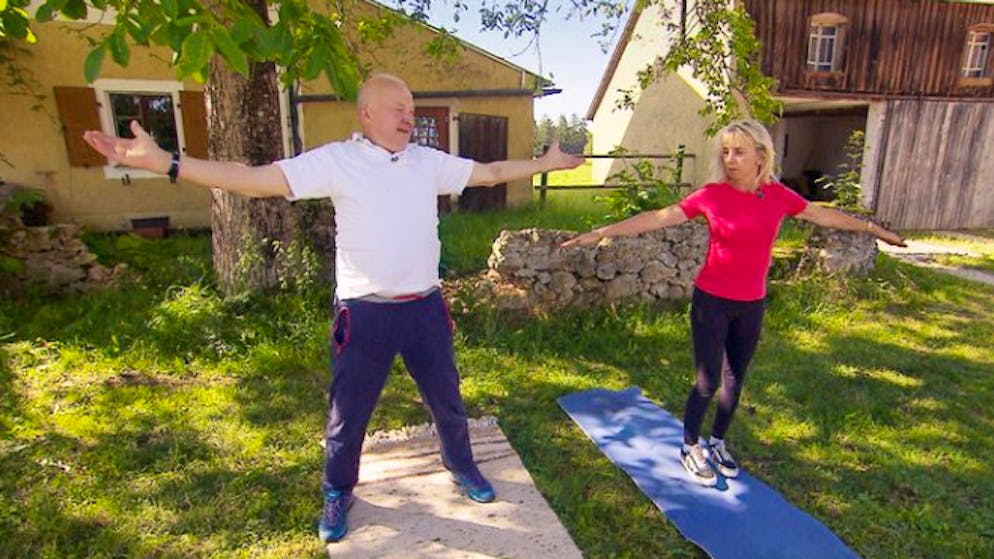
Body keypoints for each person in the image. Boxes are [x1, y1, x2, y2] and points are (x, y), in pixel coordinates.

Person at [82, 73, 584, 541]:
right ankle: (337, 491)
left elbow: (492, 171)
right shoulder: (337, 161)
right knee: (349, 415)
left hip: (425, 308)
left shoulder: (427, 162)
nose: (409, 117)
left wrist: (546, 164)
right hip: (364, 314)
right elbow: (254, 179)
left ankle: (461, 465)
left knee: (448, 400)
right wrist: (168, 163)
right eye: (397, 109)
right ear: (366, 114)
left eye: (411, 109)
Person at [562, 119, 905, 487]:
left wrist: (872, 229)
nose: (730, 159)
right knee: (707, 381)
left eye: (738, 152)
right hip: (712, 301)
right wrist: (602, 232)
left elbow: (821, 214)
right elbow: (659, 218)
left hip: (751, 304)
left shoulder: (777, 195)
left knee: (734, 381)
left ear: (761, 155)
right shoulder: (711, 195)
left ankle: (718, 442)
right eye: (725, 151)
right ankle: (690, 446)